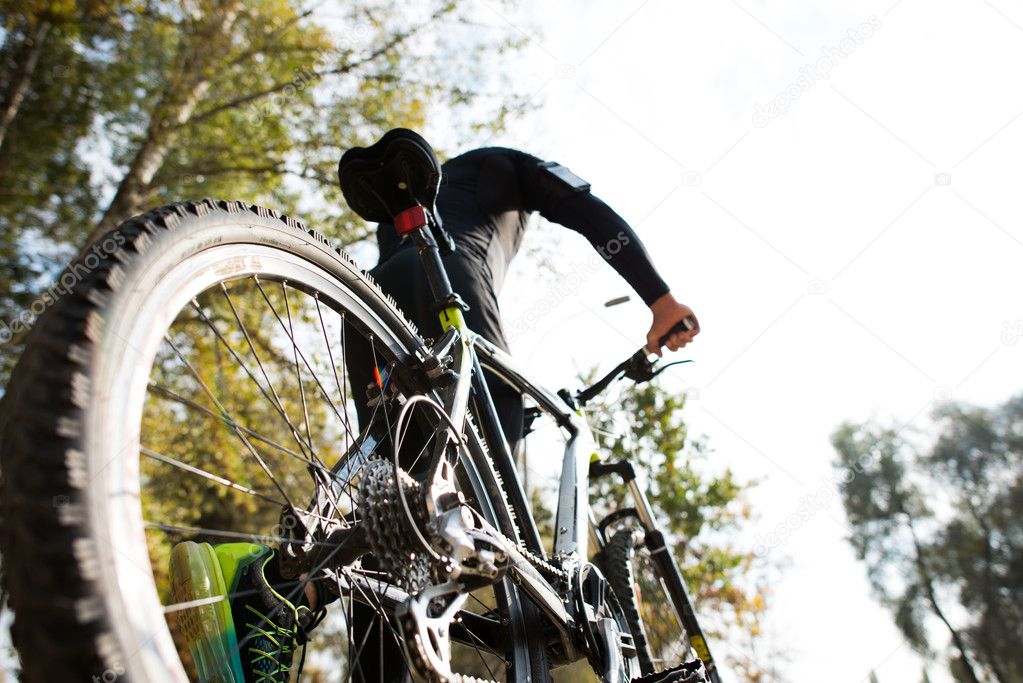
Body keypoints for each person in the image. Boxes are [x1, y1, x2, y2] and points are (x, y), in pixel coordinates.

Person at [170, 139, 700, 682]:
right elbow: (585, 210)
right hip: (450, 286)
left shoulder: (426, 201)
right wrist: (660, 299)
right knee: (471, 492)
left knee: (391, 507)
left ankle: (287, 580)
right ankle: (277, 589)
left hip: (374, 309)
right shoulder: (502, 165)